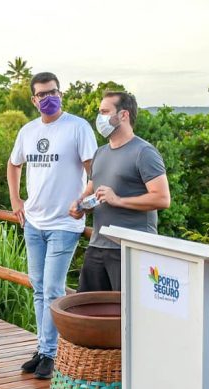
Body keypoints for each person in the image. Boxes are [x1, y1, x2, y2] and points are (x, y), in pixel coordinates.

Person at [7, 72, 97, 379]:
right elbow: (13, 164)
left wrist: (83, 202)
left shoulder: (77, 127)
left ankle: (51, 353)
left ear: (61, 94)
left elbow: (94, 170)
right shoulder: (28, 130)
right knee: (38, 288)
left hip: (64, 223)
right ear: (33, 100)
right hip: (34, 221)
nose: (49, 98)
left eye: (53, 92)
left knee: (54, 290)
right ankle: (43, 348)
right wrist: (16, 200)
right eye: (42, 94)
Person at [70, 91, 171, 292]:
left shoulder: (144, 152)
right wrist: (80, 204)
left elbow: (162, 198)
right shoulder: (100, 152)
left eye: (105, 111)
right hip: (98, 245)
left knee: (126, 316)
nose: (100, 118)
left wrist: (118, 200)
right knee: (89, 312)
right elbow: (92, 187)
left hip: (130, 249)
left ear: (123, 115)